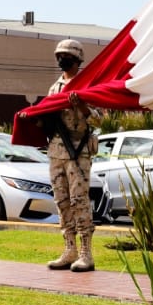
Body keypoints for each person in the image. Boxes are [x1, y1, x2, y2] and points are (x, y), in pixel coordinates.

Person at [43, 38, 101, 272]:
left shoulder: (88, 85)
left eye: (66, 56)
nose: (61, 60)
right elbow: (46, 113)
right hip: (57, 151)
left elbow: (99, 119)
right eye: (59, 56)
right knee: (62, 202)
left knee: (79, 202)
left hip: (79, 152)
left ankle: (86, 252)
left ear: (78, 60)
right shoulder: (55, 87)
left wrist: (83, 106)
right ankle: (70, 249)